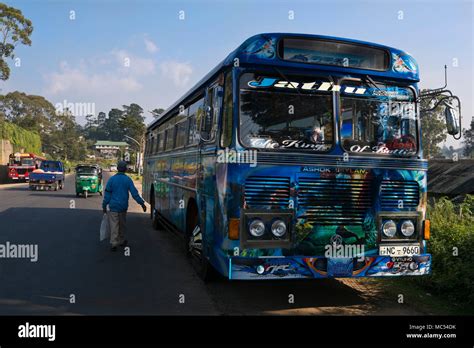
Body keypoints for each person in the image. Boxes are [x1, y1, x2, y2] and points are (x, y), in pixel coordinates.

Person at [102, 161, 146, 251]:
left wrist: (104, 205)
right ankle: (121, 241)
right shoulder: (128, 180)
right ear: (125, 169)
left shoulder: (112, 180)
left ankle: (114, 243)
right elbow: (134, 194)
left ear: (117, 169)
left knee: (114, 225)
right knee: (122, 225)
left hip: (113, 207)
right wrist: (142, 203)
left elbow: (107, 195)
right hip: (123, 207)